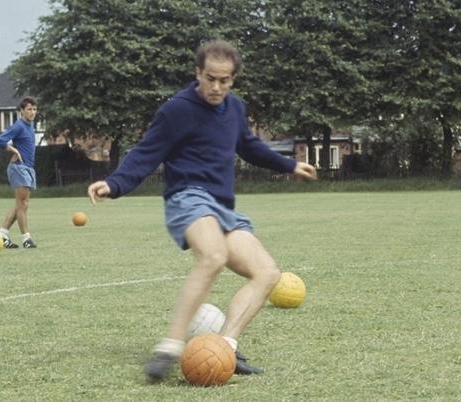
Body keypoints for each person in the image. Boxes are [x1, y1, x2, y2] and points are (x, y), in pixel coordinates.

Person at [87, 40, 316, 382]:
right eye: (211, 78)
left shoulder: (235, 108)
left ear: (233, 79)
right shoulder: (177, 109)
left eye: (225, 80)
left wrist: (289, 164)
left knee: (267, 272)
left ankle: (225, 346)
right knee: (212, 256)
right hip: (188, 197)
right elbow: (146, 152)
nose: (217, 87)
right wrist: (115, 183)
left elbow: (250, 146)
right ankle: (170, 346)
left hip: (223, 207)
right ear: (198, 73)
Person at [0, 96, 39, 249]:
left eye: (34, 109)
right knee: (22, 204)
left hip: (27, 168)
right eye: (29, 109)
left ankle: (2, 234)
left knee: (22, 204)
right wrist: (13, 150)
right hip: (19, 167)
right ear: (22, 111)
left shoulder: (30, 125)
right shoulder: (19, 126)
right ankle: (26, 239)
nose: (32, 112)